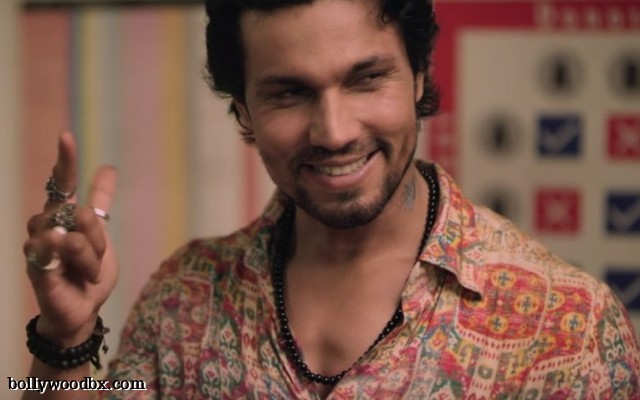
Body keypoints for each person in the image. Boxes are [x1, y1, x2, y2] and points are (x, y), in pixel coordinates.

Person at [22, 0, 640, 398]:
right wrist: (63, 338)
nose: (335, 131)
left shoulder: (566, 325)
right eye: (290, 93)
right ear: (244, 111)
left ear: (418, 75)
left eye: (366, 79)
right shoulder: (183, 296)